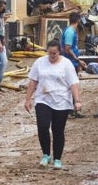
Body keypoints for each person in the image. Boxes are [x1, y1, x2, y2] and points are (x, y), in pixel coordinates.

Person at [25, 40, 82, 169]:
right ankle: (46, 154)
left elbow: (73, 83)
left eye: (54, 53)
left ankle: (57, 158)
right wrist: (28, 99)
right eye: (49, 53)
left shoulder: (66, 64)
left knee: (58, 130)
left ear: (59, 52)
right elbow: (33, 82)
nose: (52, 56)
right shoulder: (39, 63)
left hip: (61, 101)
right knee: (43, 126)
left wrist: (77, 100)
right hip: (43, 99)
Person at [61, 13, 88, 116]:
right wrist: (78, 60)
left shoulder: (70, 31)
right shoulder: (70, 32)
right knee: (72, 85)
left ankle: (71, 109)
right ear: (79, 20)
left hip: (71, 62)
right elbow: (67, 48)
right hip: (70, 63)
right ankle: (71, 109)